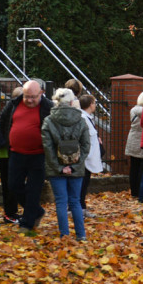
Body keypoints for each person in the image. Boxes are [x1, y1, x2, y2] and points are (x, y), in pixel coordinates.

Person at [0, 79, 54, 231]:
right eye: (26, 96)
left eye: (33, 97)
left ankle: (27, 223)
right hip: (16, 153)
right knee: (13, 185)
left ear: (41, 93)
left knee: (33, 189)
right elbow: (3, 120)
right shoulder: (14, 104)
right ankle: (36, 211)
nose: (29, 100)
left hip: (38, 155)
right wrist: (7, 139)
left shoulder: (48, 107)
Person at [42, 88, 92, 240]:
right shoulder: (81, 120)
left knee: (61, 202)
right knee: (75, 201)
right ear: (71, 102)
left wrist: (59, 167)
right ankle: (81, 235)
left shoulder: (49, 121)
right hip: (76, 168)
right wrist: (75, 166)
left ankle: (65, 235)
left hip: (56, 169)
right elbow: (86, 146)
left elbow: (48, 148)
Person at [0, 86, 23, 224]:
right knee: (10, 183)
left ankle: (11, 212)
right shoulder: (14, 108)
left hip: (5, 150)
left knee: (10, 183)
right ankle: (10, 213)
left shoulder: (8, 107)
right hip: (9, 151)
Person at [78, 93, 104, 216]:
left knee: (84, 183)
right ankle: (80, 208)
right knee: (82, 184)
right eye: (94, 103)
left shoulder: (88, 117)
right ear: (90, 104)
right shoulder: (83, 118)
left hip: (88, 156)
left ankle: (81, 207)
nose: (95, 105)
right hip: (85, 158)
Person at [123, 91, 143, 199]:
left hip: (133, 138)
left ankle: (134, 191)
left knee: (134, 167)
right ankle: (141, 191)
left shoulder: (133, 110)